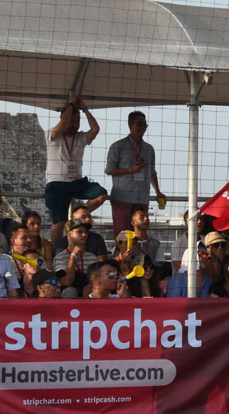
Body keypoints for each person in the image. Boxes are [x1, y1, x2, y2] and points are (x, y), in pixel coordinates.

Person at [45, 96, 109, 249]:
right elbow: (62, 123)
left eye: (77, 121)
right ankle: (54, 251)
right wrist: (71, 105)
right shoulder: (53, 134)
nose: (74, 125)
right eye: (71, 121)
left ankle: (78, 216)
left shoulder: (80, 137)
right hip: (57, 182)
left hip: (76, 182)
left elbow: (95, 129)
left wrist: (84, 109)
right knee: (59, 222)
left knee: (102, 194)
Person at [105, 110, 165, 239]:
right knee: (122, 234)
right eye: (140, 124)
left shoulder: (149, 149)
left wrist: (158, 191)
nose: (143, 128)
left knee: (141, 234)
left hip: (142, 198)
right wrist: (130, 170)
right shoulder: (117, 146)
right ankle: (122, 258)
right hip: (122, 198)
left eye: (145, 125)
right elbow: (109, 170)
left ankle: (139, 258)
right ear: (130, 125)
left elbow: (152, 172)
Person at [53, 220, 94, 296]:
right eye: (79, 232)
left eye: (86, 232)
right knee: (71, 291)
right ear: (69, 235)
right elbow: (66, 282)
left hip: (88, 295)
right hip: (69, 297)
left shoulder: (92, 257)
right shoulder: (60, 257)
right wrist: (73, 257)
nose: (84, 234)